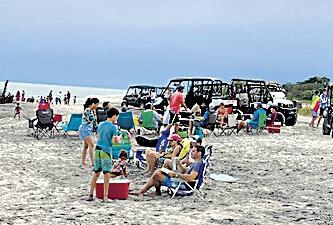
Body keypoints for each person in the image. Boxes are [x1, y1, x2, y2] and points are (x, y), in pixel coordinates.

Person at [133, 145, 205, 196]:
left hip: (184, 186)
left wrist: (176, 175)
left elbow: (190, 177)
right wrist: (178, 163)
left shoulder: (198, 164)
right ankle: (145, 191)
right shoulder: (196, 163)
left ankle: (151, 192)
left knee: (157, 175)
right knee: (159, 171)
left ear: (199, 153)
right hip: (183, 182)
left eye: (193, 151)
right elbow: (185, 171)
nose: (191, 152)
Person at [87, 107, 120, 202]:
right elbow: (115, 141)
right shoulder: (113, 127)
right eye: (117, 117)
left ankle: (90, 195)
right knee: (106, 175)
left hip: (97, 150)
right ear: (114, 116)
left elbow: (99, 135)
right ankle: (105, 197)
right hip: (106, 151)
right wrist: (120, 136)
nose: (116, 119)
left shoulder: (101, 124)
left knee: (96, 173)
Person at [79, 98, 99, 167]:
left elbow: (94, 122)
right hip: (85, 129)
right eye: (97, 104)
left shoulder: (91, 111)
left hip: (87, 129)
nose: (97, 106)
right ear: (93, 104)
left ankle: (83, 162)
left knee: (86, 146)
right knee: (92, 145)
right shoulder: (87, 110)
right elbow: (92, 119)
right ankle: (93, 163)